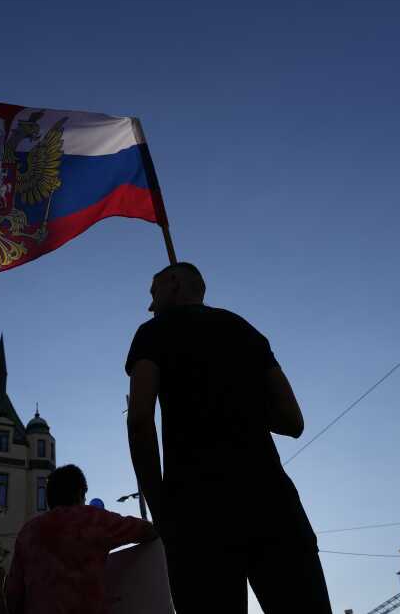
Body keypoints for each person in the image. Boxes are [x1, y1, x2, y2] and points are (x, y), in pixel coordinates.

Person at [125, 262, 332, 614]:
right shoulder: (245, 330)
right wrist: (238, 398)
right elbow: (292, 421)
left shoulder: (153, 332)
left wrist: (160, 508)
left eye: (154, 291)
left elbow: (140, 418)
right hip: (273, 505)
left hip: (196, 514)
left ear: (174, 283)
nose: (150, 304)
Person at [5, 464, 158, 614]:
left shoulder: (28, 532)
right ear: (80, 493)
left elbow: (13, 593)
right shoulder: (92, 520)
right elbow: (145, 530)